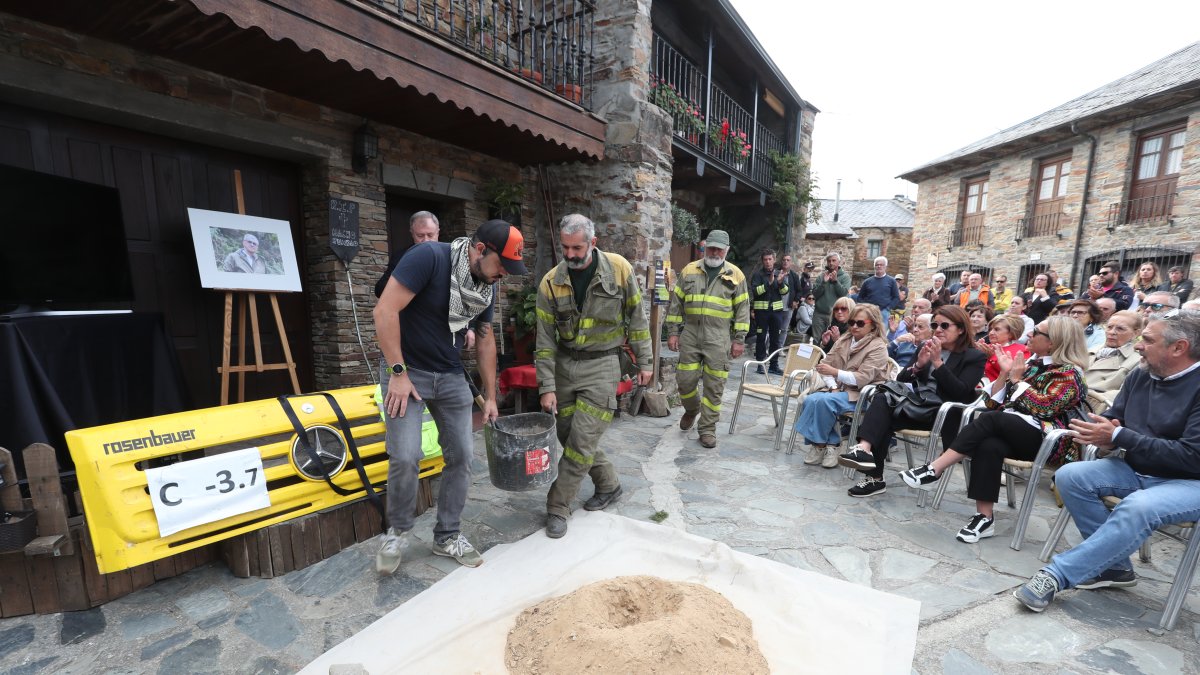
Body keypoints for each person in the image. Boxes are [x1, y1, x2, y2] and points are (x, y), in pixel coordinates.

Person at [1015, 310, 1200, 614]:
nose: (1138, 345)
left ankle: (1057, 574)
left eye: (1148, 340)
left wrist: (1120, 435)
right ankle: (1114, 568)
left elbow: (1191, 456)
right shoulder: (1142, 374)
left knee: (1138, 506)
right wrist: (1105, 434)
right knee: (1071, 476)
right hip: (1137, 468)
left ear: (1178, 348)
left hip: (1188, 481)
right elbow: (1119, 421)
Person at [373, 219, 523, 573]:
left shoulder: (486, 286)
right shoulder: (429, 258)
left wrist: (489, 396)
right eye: (502, 264)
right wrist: (397, 374)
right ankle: (397, 531)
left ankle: (447, 535)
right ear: (479, 249)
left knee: (462, 457)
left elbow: (485, 337)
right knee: (406, 456)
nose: (504, 273)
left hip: (451, 374)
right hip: (406, 373)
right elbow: (384, 310)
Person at [900, 316, 1089, 542]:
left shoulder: (1070, 374)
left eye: (1036, 331)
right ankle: (984, 517)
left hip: (1048, 439)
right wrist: (1004, 373)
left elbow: (1043, 407)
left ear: (1054, 342)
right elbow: (992, 402)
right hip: (1014, 432)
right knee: (989, 445)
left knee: (992, 420)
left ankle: (934, 469)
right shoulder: (1030, 365)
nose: (1029, 334)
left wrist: (1017, 380)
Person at [537, 214, 653, 539]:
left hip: (603, 365)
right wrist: (546, 386)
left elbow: (638, 318)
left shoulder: (619, 269)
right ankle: (609, 484)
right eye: (565, 247)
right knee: (569, 436)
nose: (571, 255)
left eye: (577, 247)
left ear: (593, 242)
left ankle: (557, 507)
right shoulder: (550, 283)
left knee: (581, 442)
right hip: (564, 368)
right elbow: (544, 342)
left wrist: (646, 362)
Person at [838, 306, 987, 496]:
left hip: (945, 413)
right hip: (919, 406)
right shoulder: (927, 346)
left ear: (961, 329)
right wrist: (918, 366)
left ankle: (871, 470)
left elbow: (960, 392)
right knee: (882, 399)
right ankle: (866, 455)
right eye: (935, 325)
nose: (938, 329)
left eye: (944, 325)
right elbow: (901, 380)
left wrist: (938, 364)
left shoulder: (974, 356)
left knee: (884, 417)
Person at [666, 229, 750, 449]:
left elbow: (742, 309)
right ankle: (692, 409)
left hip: (719, 337)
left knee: (714, 386)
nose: (714, 252)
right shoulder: (689, 270)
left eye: (719, 249)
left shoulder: (736, 275)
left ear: (726, 251)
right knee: (685, 380)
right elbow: (676, 304)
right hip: (691, 334)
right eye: (711, 247)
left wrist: (739, 339)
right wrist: (673, 331)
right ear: (705, 247)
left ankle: (707, 429)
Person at [796, 303, 890, 469]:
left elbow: (862, 378)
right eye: (852, 322)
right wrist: (833, 386)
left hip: (863, 395)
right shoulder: (844, 340)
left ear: (873, 325)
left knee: (823, 402)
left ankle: (826, 445)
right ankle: (825, 444)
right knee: (810, 400)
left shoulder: (878, 346)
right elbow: (823, 366)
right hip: (839, 390)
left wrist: (835, 372)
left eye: (860, 323)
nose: (854, 326)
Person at [373, 211, 476, 349]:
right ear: (411, 233)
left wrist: (471, 327)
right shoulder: (402, 257)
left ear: (438, 232)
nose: (426, 240)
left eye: (430, 235)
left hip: (446, 334)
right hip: (412, 332)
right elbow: (380, 289)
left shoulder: (454, 257)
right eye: (420, 236)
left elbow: (469, 292)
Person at [1084, 310, 1144, 405]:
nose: (1112, 332)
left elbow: (1124, 394)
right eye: (1109, 327)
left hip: (1093, 407)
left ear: (1136, 333)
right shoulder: (1091, 350)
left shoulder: (1138, 361)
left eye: (1120, 329)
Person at [750, 248, 790, 375]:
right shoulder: (757, 275)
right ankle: (760, 364)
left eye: (770, 259)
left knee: (775, 339)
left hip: (776, 312)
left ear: (774, 260)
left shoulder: (780, 274)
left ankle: (774, 365)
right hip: (762, 312)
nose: (767, 262)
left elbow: (785, 292)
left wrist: (780, 283)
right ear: (762, 261)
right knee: (761, 338)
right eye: (765, 260)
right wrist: (769, 283)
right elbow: (756, 292)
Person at [977, 314, 1029, 384]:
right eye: (990, 329)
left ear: (1011, 333)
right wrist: (974, 351)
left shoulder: (1022, 351)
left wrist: (992, 357)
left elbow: (1014, 376)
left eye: (996, 329)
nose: (991, 332)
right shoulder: (985, 347)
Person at [810, 251, 851, 339]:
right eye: (829, 261)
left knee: (832, 340)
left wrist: (836, 281)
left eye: (833, 260)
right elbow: (815, 294)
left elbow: (843, 294)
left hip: (835, 315)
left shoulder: (845, 277)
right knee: (816, 339)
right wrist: (824, 283)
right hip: (819, 314)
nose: (831, 263)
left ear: (838, 262)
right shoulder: (821, 276)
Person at [778, 253, 803, 339]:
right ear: (781, 262)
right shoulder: (776, 273)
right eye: (784, 260)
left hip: (788, 307)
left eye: (788, 260)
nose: (785, 262)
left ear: (791, 262)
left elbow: (799, 291)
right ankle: (772, 349)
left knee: (784, 329)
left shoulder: (794, 276)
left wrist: (795, 300)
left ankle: (780, 349)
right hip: (776, 307)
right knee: (774, 328)